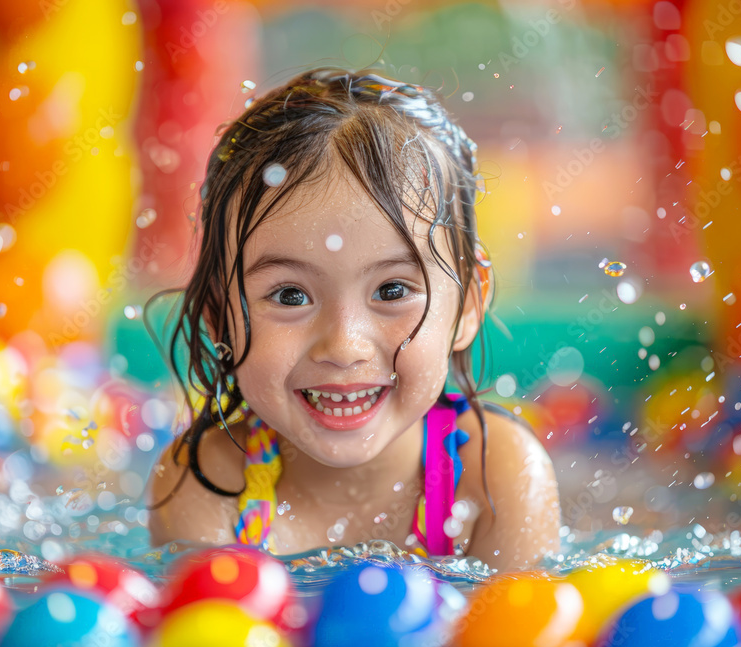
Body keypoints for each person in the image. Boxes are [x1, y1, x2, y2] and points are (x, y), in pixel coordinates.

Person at [147, 67, 560, 571]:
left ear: (469, 304)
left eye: (391, 291)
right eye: (290, 295)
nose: (343, 346)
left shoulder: (498, 477)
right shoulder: (205, 486)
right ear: (218, 316)